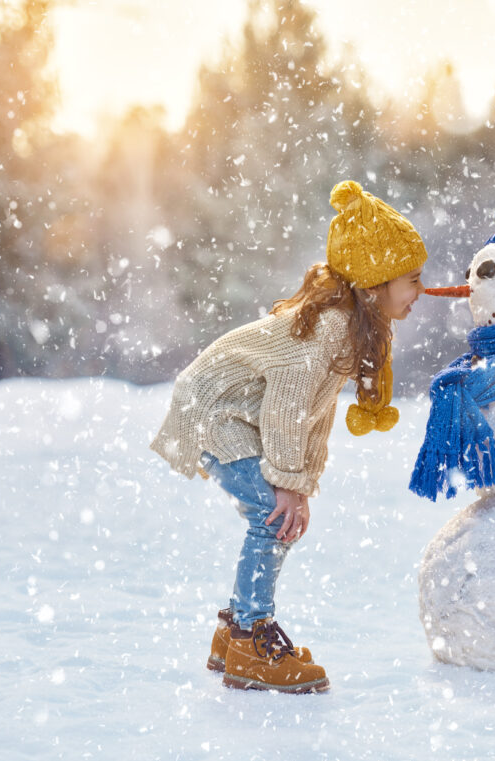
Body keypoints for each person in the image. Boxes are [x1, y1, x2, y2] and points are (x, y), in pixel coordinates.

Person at [149, 180, 427, 693]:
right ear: (375, 282)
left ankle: (233, 633)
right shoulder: (330, 327)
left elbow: (313, 415)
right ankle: (252, 638)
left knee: (278, 514)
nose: (421, 290)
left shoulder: (352, 326)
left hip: (240, 415)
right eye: (411, 279)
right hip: (216, 410)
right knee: (271, 517)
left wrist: (301, 481)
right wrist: (286, 484)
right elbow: (286, 407)